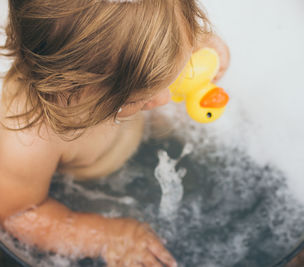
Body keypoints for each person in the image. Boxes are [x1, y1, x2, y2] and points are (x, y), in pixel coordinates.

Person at [0, 0, 230, 266]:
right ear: (72, 86)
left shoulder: (139, 39)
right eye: (138, 100)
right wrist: (103, 236)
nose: (165, 98)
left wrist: (205, 49)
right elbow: (16, 214)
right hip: (92, 184)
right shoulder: (29, 138)